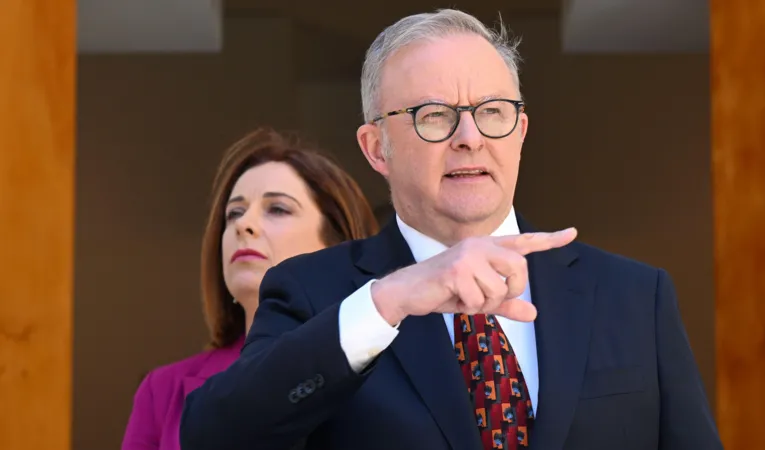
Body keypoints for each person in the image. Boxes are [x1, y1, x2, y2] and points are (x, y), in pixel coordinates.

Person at [180, 10, 723, 450]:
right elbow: (215, 434)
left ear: (520, 132)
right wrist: (389, 300)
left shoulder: (634, 297)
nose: (470, 137)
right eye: (434, 114)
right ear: (377, 148)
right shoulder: (313, 293)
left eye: (492, 111)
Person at [120, 127, 379, 450]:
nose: (244, 224)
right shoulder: (162, 391)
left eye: (278, 209)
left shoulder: (392, 384)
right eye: (234, 213)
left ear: (335, 246)